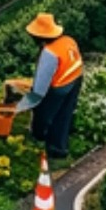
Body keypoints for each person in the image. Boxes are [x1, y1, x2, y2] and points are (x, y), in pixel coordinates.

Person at [14, 13, 83, 159]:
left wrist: (18, 107)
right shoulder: (67, 40)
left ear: (39, 37)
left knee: (43, 114)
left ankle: (40, 140)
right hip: (76, 77)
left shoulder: (49, 53)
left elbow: (39, 90)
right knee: (64, 114)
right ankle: (60, 149)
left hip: (61, 86)